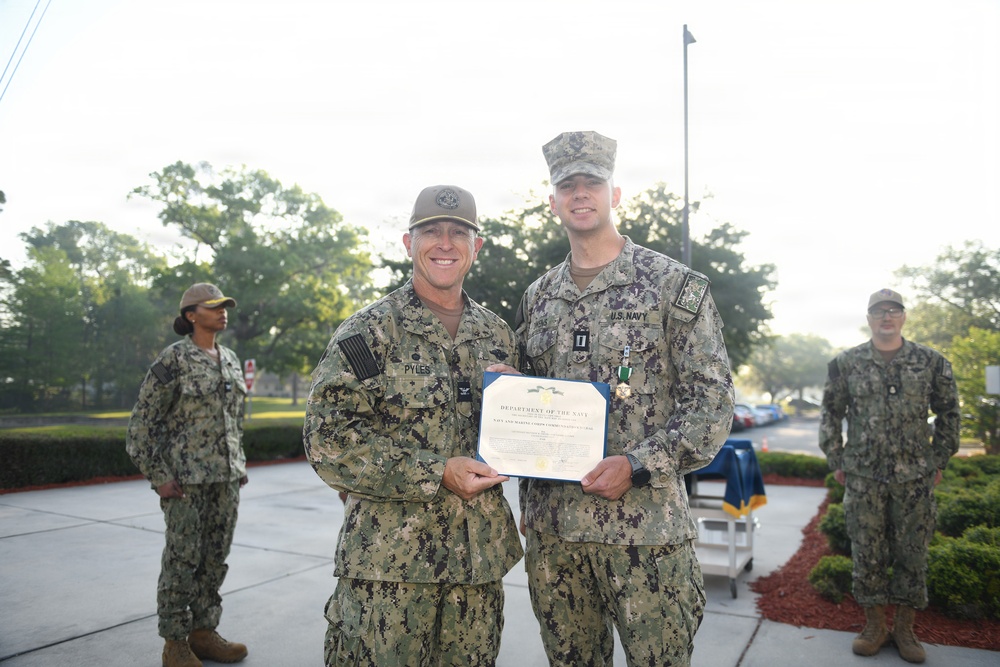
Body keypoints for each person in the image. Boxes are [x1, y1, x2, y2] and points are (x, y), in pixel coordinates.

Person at [507, 131, 735, 666]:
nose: (580, 193)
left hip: (646, 535)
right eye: (568, 185)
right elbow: (525, 407)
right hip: (557, 536)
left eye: (592, 182)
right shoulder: (539, 297)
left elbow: (712, 403)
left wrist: (637, 464)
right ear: (553, 201)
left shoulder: (673, 285)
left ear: (615, 194)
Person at [303, 185, 523, 666]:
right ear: (409, 243)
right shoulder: (368, 332)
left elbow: (523, 433)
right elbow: (327, 440)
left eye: (458, 232)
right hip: (390, 570)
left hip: (477, 567)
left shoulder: (499, 336)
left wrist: (523, 401)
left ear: (476, 246)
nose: (445, 243)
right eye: (431, 231)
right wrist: (435, 471)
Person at [819, 288, 960, 663]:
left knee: (913, 553)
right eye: (879, 311)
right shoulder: (846, 363)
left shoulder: (931, 362)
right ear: (869, 318)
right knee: (867, 551)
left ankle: (905, 629)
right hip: (864, 476)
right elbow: (830, 413)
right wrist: (837, 458)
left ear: (903, 317)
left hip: (914, 476)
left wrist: (939, 459)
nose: (886, 316)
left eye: (893, 310)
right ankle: (875, 626)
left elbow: (949, 412)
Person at [126, 282, 249, 667]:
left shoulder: (230, 358)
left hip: (224, 481)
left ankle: (203, 633)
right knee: (182, 562)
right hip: (185, 483)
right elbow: (141, 424)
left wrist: (238, 463)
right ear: (191, 315)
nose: (222, 311)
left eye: (224, 305)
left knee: (215, 560)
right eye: (213, 306)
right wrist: (159, 475)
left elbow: (235, 418)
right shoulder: (174, 360)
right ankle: (175, 643)